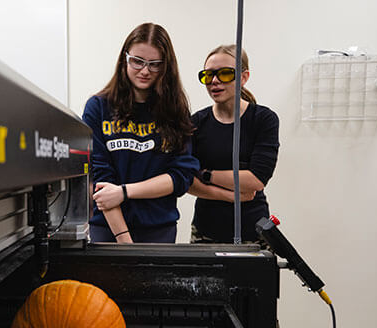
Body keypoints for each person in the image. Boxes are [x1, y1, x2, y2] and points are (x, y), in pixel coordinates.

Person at [82, 23, 199, 243]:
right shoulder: (98, 107)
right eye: (137, 61)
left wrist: (125, 192)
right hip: (108, 227)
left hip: (158, 229)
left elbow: (180, 177)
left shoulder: (176, 112)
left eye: (154, 64)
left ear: (166, 67)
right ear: (124, 59)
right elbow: (100, 181)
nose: (145, 71)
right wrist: (125, 240)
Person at [188, 45, 280, 244]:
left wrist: (206, 175)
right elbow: (187, 181)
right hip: (206, 231)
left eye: (225, 74)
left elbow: (255, 180)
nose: (215, 81)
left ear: (244, 77)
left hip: (253, 231)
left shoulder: (263, 119)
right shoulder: (195, 123)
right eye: (208, 75)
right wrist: (231, 196)